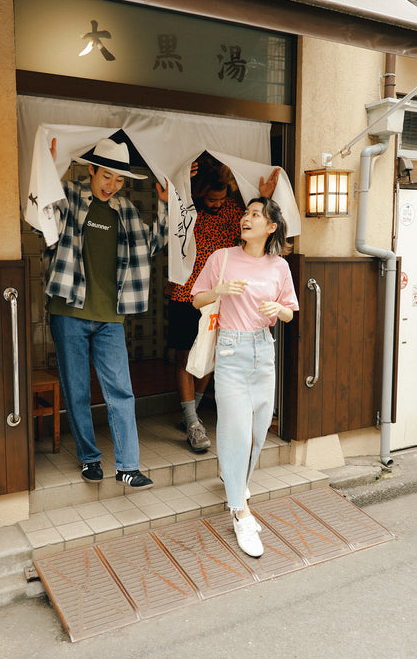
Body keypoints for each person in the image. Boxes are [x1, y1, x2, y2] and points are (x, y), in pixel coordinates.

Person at [46, 137, 168, 489]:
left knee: (121, 390)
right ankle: (89, 459)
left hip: (110, 316)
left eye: (118, 180)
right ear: (91, 170)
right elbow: (45, 221)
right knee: (78, 389)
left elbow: (153, 244)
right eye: (106, 177)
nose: (111, 185)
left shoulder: (125, 209)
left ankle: (128, 466)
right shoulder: (68, 195)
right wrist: (48, 171)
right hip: (68, 308)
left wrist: (164, 206)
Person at [191, 197, 298, 557]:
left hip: (263, 351)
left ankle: (234, 480)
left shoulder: (279, 266)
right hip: (232, 351)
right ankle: (240, 510)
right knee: (234, 429)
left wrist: (278, 308)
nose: (245, 218)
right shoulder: (221, 258)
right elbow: (195, 299)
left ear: (270, 227)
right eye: (246, 213)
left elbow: (289, 314)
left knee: (256, 429)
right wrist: (218, 291)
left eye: (255, 215)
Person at [165, 155, 280, 453]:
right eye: (211, 198)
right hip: (185, 292)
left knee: (211, 356)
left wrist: (264, 199)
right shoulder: (188, 210)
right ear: (201, 191)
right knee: (186, 356)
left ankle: (192, 414)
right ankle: (192, 422)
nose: (216, 203)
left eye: (220, 198)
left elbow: (255, 226)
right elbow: (173, 217)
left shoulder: (233, 211)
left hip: (219, 294)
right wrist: (182, 186)